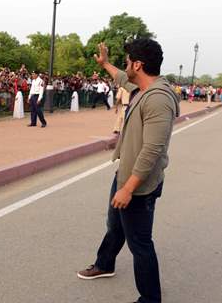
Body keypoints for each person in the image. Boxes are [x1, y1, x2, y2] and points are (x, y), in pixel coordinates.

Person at [77, 39, 180, 303]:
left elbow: (151, 151)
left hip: (139, 185)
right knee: (115, 225)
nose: (125, 66)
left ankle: (150, 298)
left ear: (138, 64)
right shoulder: (143, 88)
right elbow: (123, 78)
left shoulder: (158, 99)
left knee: (140, 244)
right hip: (126, 176)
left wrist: (128, 188)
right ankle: (105, 263)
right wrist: (105, 63)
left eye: (127, 60)